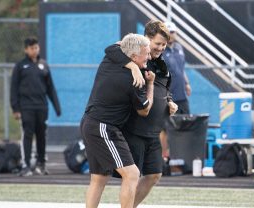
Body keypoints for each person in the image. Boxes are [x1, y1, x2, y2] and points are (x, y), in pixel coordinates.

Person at [105, 20, 178, 208]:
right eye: (158, 44)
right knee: (131, 176)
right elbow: (111, 49)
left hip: (153, 131)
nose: (161, 48)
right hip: (135, 128)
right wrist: (131, 65)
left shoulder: (161, 63)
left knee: (154, 174)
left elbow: (165, 88)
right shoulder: (136, 55)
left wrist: (169, 101)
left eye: (164, 44)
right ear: (147, 39)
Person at [80, 33, 155, 208]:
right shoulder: (135, 80)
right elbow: (144, 110)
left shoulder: (110, 60)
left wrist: (134, 66)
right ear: (134, 56)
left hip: (89, 122)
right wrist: (150, 84)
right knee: (132, 174)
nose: (149, 57)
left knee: (99, 178)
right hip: (103, 128)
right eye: (146, 53)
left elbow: (113, 47)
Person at [10, 37, 61, 177]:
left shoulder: (43, 65)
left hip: (41, 107)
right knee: (27, 135)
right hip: (26, 107)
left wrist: (57, 107)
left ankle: (41, 164)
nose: (35, 50)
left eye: (36, 47)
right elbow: (13, 88)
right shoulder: (20, 66)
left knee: (41, 136)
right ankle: (25, 165)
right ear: (26, 49)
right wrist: (15, 108)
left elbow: (50, 88)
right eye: (32, 48)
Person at [160, 21, 192, 158]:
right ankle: (164, 156)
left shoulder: (179, 47)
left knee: (185, 124)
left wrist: (187, 83)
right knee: (165, 128)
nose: (172, 35)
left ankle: (182, 155)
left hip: (181, 95)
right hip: (169, 95)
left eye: (173, 32)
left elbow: (181, 69)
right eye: (169, 32)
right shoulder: (161, 50)